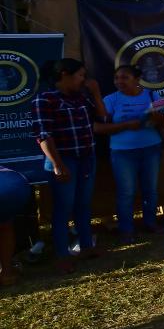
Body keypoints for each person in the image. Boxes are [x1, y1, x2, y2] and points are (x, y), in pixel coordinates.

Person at [33, 59, 107, 273]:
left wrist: (95, 93)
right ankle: (62, 255)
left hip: (86, 157)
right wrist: (57, 164)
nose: (84, 80)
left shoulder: (81, 96)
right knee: (63, 208)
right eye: (80, 75)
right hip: (64, 160)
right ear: (65, 74)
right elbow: (43, 135)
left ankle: (86, 247)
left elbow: (102, 116)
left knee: (83, 205)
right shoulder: (44, 99)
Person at [97, 64, 164, 243]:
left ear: (136, 79)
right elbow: (98, 127)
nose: (120, 81)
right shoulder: (110, 100)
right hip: (122, 153)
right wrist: (126, 125)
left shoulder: (151, 95)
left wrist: (155, 117)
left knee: (150, 189)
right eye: (117, 78)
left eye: (125, 77)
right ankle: (126, 229)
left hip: (151, 148)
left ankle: (150, 223)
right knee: (126, 192)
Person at [0, 166, 32, 286]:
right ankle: (6, 274)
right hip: (14, 187)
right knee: (5, 225)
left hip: (11, 186)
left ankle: (6, 273)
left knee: (5, 225)